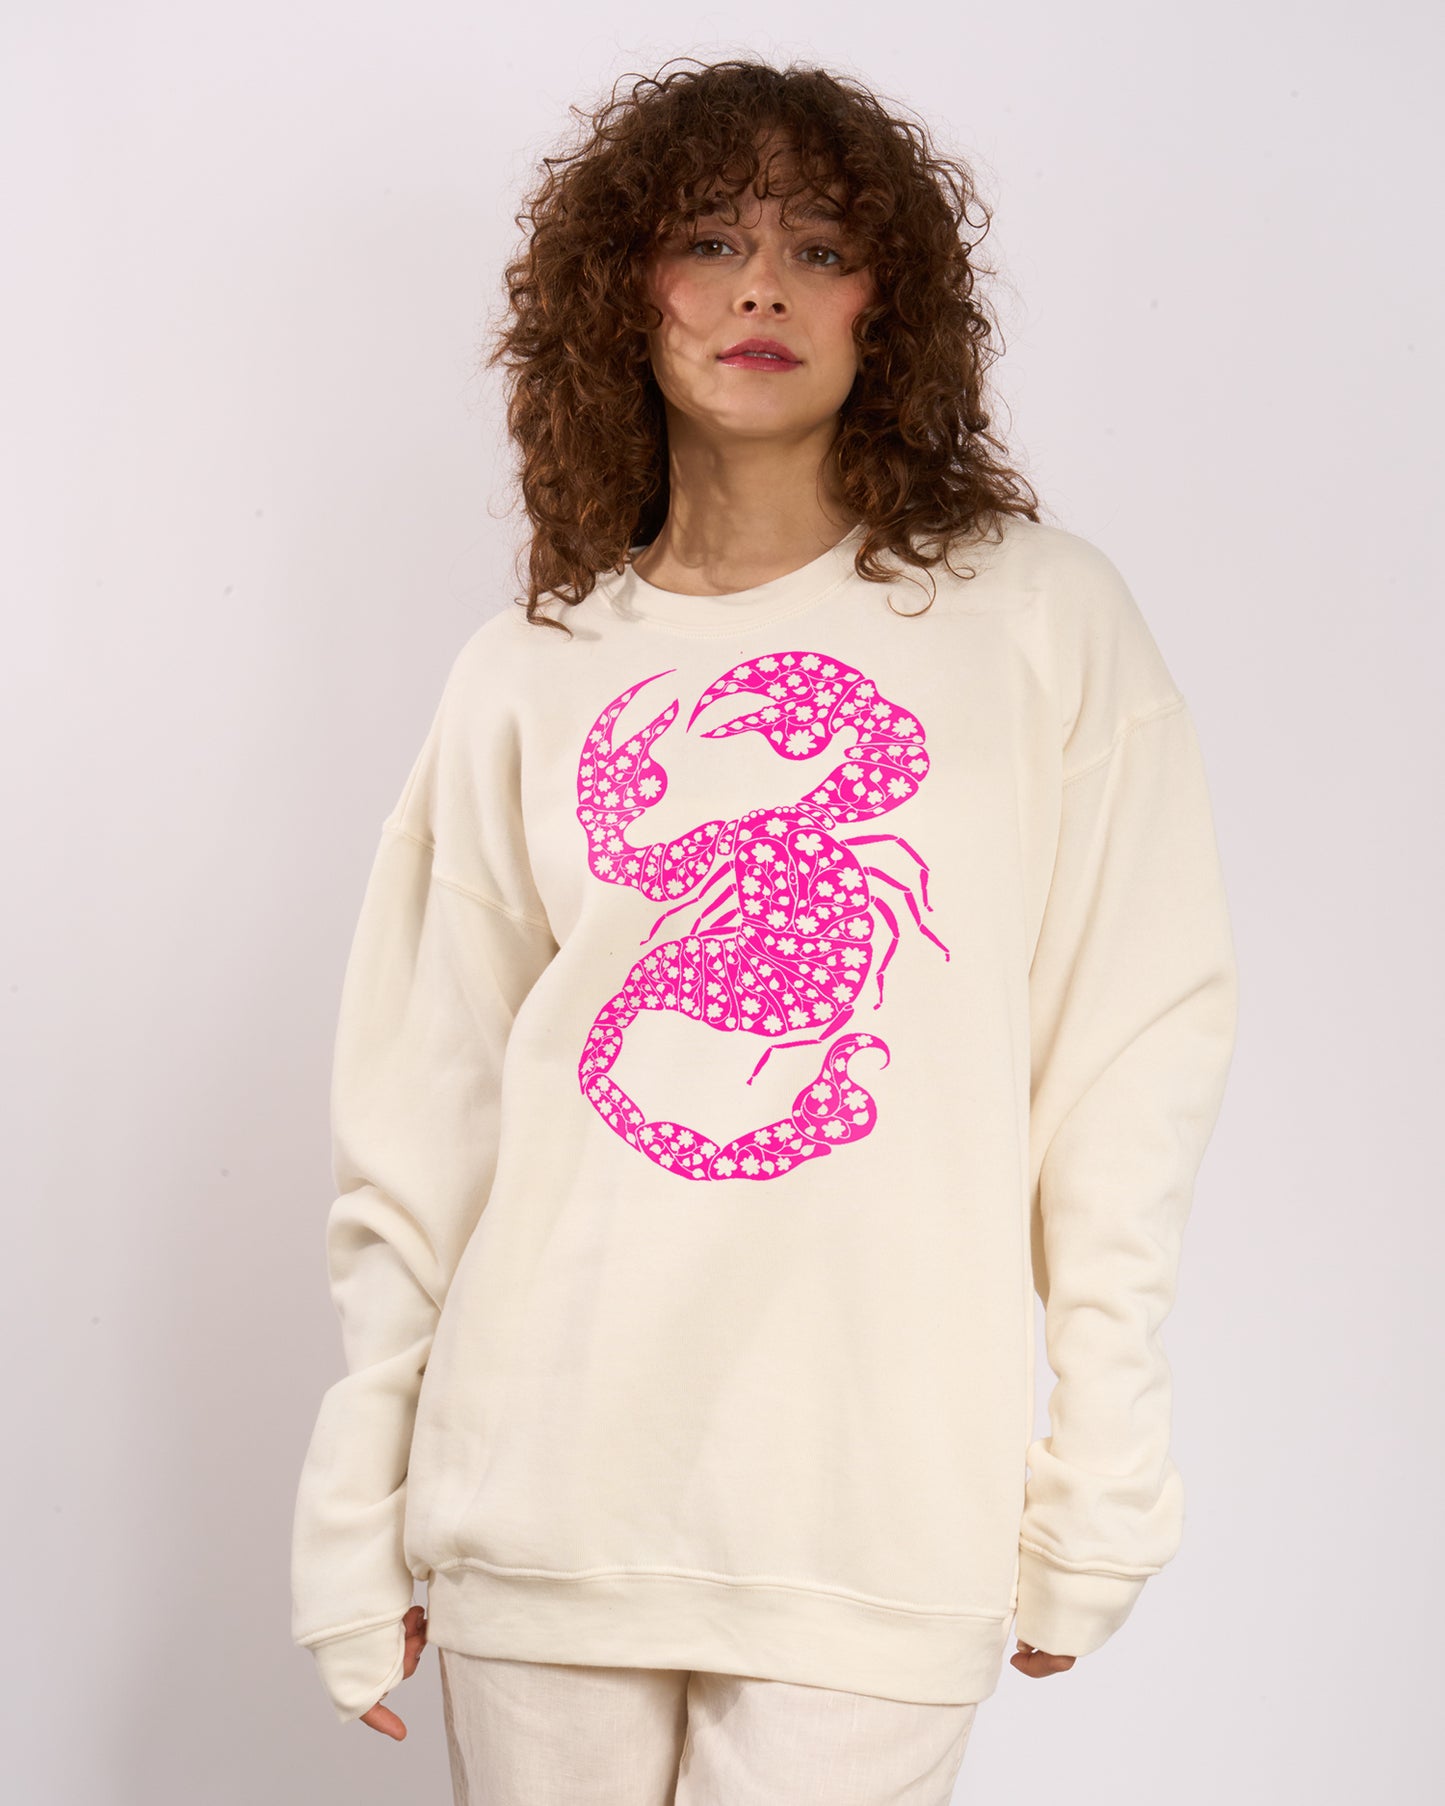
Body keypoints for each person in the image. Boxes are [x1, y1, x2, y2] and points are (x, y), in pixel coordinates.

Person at [289, 56, 1240, 1804]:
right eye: (710, 241)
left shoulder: (1037, 619)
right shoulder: (531, 670)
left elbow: (1129, 1050)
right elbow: (425, 1113)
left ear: (890, 303)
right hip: (543, 1483)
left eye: (818, 248)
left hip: (875, 1496)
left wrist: (1103, 1471)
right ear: (622, 293)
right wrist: (357, 1507)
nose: (760, 291)